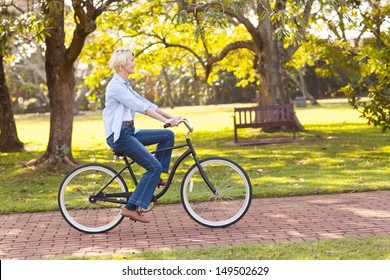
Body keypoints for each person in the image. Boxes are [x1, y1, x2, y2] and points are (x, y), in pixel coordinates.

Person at [103, 47, 181, 223]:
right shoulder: (116, 87)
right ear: (122, 64)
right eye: (132, 60)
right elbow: (141, 108)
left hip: (129, 132)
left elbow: (146, 103)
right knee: (153, 166)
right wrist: (165, 121)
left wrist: (171, 117)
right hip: (120, 136)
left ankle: (156, 178)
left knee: (167, 137)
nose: (134, 63)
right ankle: (130, 208)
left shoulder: (125, 85)